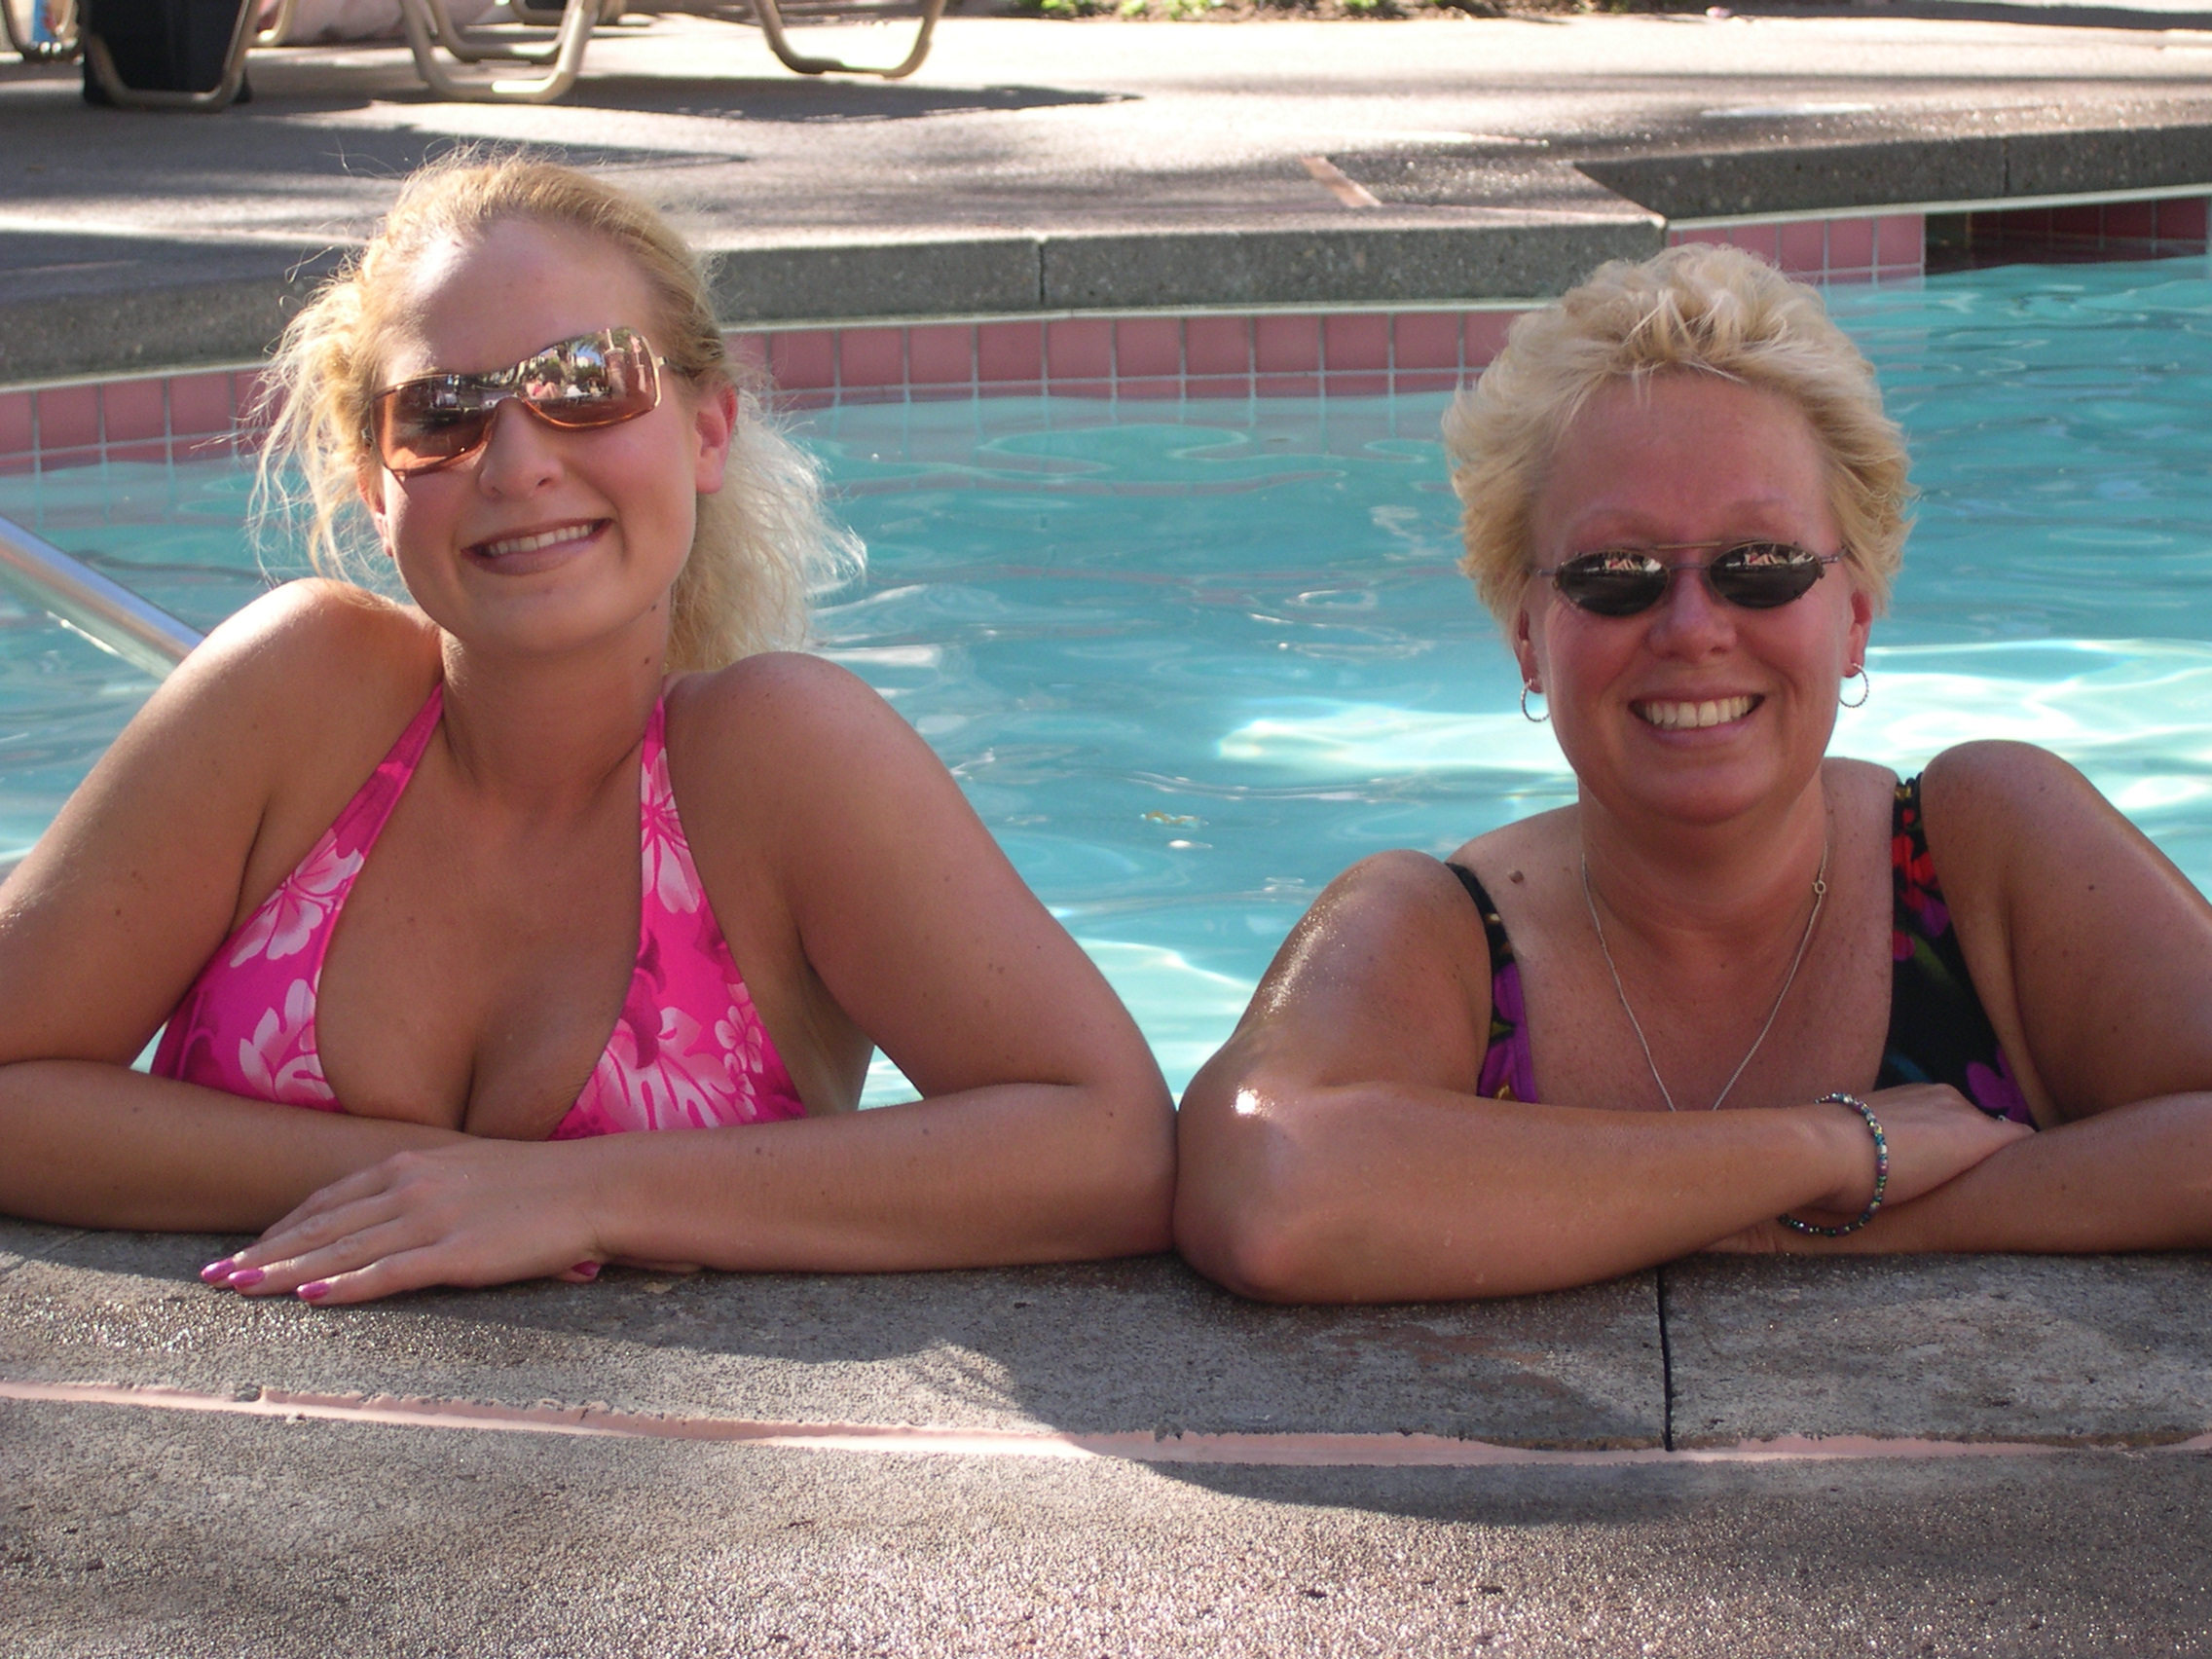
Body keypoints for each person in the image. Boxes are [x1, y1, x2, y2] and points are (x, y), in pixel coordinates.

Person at [0, 157, 1174, 1304]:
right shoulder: (296, 697)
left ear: (708, 430)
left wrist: (583, 1197)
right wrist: (453, 1190)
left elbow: (1111, 1142)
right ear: (374, 480)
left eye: (585, 382)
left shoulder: (776, 764)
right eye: (444, 414)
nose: (517, 463)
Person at [1175, 242, 2212, 1303]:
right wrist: (1833, 1153)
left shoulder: (1986, 843)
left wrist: (1800, 1235)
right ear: (1528, 639)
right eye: (1613, 575)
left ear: (1852, 618)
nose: (1691, 627)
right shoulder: (1433, 934)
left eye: (1758, 566)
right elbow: (1265, 1186)